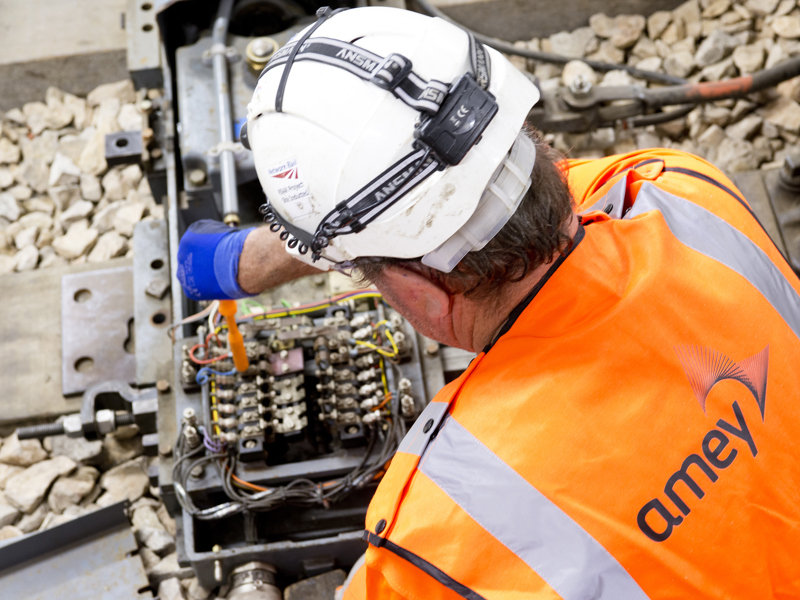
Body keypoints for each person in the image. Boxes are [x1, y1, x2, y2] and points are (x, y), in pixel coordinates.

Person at [177, 6, 800, 599]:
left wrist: (285, 246)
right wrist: (277, 250)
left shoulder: (442, 525)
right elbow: (504, 181)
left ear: (424, 294)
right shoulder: (679, 190)